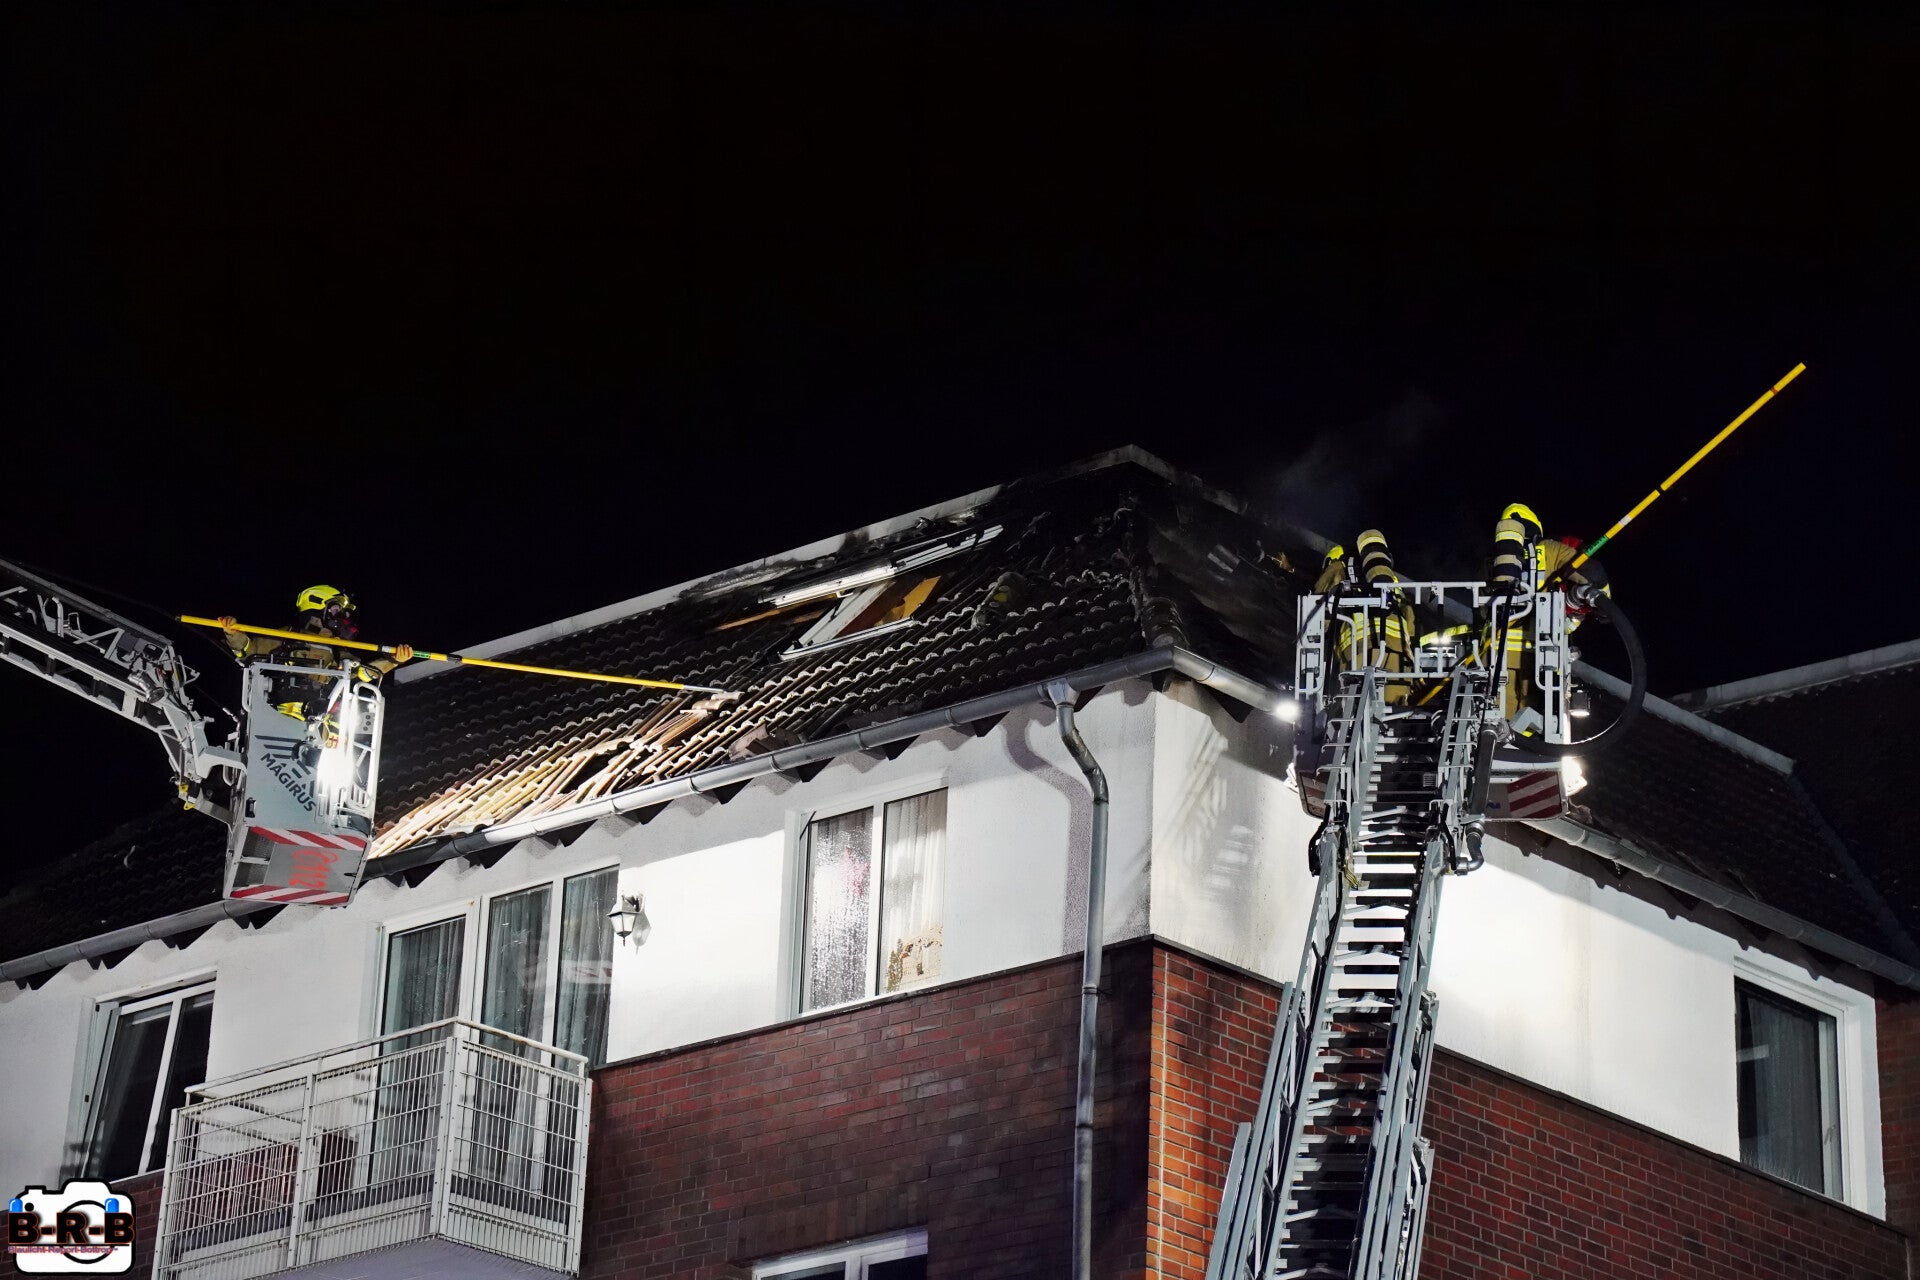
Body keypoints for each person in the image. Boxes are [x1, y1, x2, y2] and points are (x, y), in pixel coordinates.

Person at [219, 585, 413, 722]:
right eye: (337, 609)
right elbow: (248, 651)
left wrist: (394, 660)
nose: (343, 616)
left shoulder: (337, 651)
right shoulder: (286, 637)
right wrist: (232, 632)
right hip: (277, 719)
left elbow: (363, 672)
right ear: (318, 607)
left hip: (320, 725)